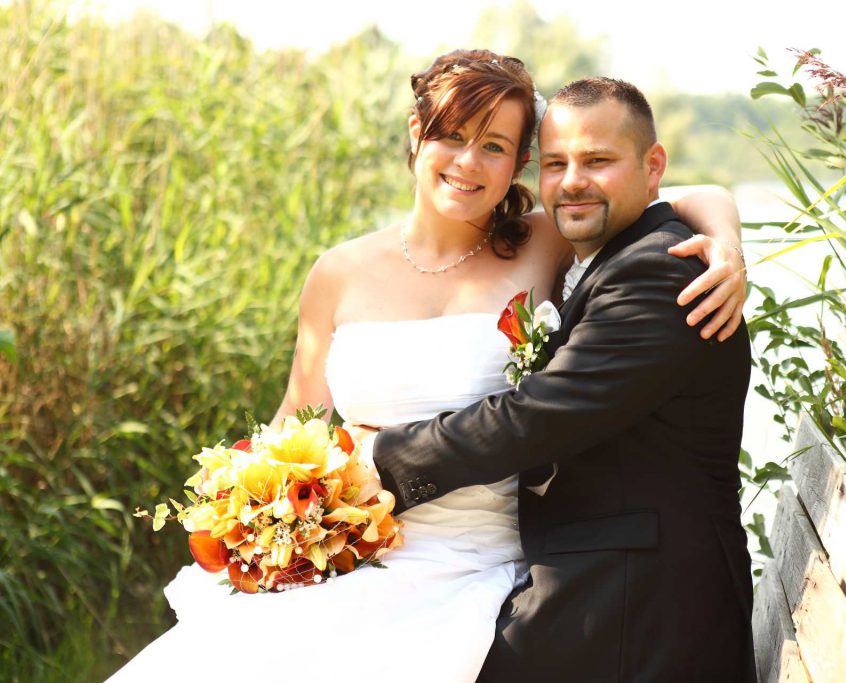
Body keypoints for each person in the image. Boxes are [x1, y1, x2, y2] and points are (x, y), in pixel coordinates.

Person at [107, 51, 746, 682]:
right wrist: (259, 509)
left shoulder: (544, 240)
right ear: (419, 135)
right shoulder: (338, 271)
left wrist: (727, 240)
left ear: (516, 163)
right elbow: (296, 419)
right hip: (360, 551)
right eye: (453, 135)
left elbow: (655, 198)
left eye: (495, 146)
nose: (469, 162)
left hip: (484, 566)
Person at [366, 77, 756, 681]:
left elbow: (538, 415)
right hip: (603, 583)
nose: (572, 181)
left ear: (653, 166)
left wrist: (375, 459)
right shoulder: (618, 253)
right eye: (555, 164)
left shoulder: (661, 271)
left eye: (597, 161)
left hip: (637, 604)